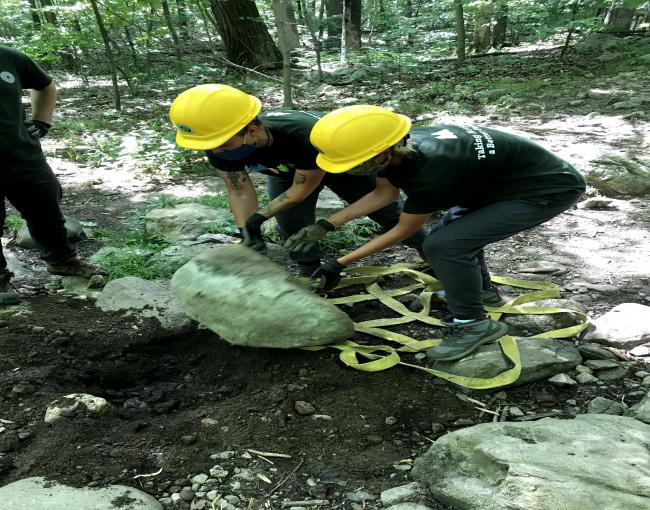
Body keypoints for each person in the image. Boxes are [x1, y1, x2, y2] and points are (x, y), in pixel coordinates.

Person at [286, 105, 586, 361]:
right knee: (453, 233)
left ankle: (473, 324)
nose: (347, 171)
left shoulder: (430, 170)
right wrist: (327, 224)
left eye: (352, 164)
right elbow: (384, 194)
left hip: (544, 190)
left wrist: (339, 263)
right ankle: (481, 293)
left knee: (445, 245)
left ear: (383, 152)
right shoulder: (395, 148)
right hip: (499, 185)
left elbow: (403, 230)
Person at [168, 84, 426, 276]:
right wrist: (246, 228)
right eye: (212, 146)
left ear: (252, 130)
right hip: (287, 173)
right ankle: (311, 272)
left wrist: (260, 217)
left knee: (384, 210)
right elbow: (239, 190)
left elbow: (303, 187)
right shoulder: (218, 144)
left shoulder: (302, 133)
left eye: (222, 145)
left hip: (340, 164)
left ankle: (429, 251)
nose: (216, 151)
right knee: (291, 223)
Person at [0, 45, 105, 297]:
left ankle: (61, 260)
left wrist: (41, 122)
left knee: (46, 209)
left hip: (24, 155)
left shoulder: (9, 57)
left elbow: (45, 86)